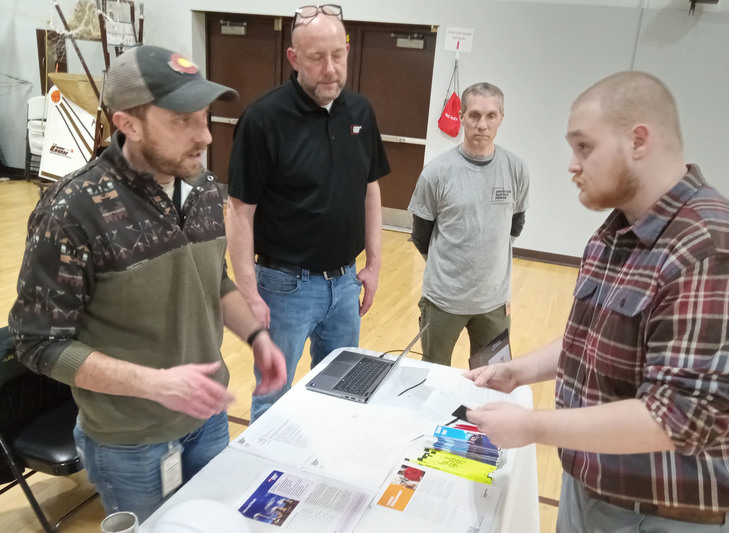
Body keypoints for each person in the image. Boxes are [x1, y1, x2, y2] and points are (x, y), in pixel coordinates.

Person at [465, 71, 729, 532]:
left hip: (671, 514)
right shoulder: (619, 230)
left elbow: (677, 418)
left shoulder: (711, 248)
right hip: (601, 489)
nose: (572, 165)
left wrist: (532, 426)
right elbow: (594, 340)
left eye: (584, 147)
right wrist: (519, 372)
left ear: (638, 140)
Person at [7, 45, 287, 521]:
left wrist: (257, 336)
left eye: (204, 117)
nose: (205, 137)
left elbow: (210, 278)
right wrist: (155, 384)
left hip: (208, 417)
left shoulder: (199, 186)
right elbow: (36, 344)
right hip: (128, 442)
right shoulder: (71, 211)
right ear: (128, 124)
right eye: (182, 120)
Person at [226, 5, 390, 421]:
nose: (331, 69)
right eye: (318, 58)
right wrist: (248, 291)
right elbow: (240, 211)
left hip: (344, 284)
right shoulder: (264, 120)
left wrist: (373, 263)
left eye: (338, 55)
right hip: (284, 288)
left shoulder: (360, 112)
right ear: (294, 58)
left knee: (342, 389)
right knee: (273, 395)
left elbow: (371, 190)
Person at [408, 82, 529, 366]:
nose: (482, 125)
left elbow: (516, 224)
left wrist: (489, 262)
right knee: (433, 376)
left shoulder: (516, 168)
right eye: (474, 115)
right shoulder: (437, 172)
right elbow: (420, 235)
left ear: (501, 118)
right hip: (443, 301)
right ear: (461, 116)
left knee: (492, 378)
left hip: (493, 303)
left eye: (490, 116)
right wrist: (448, 271)